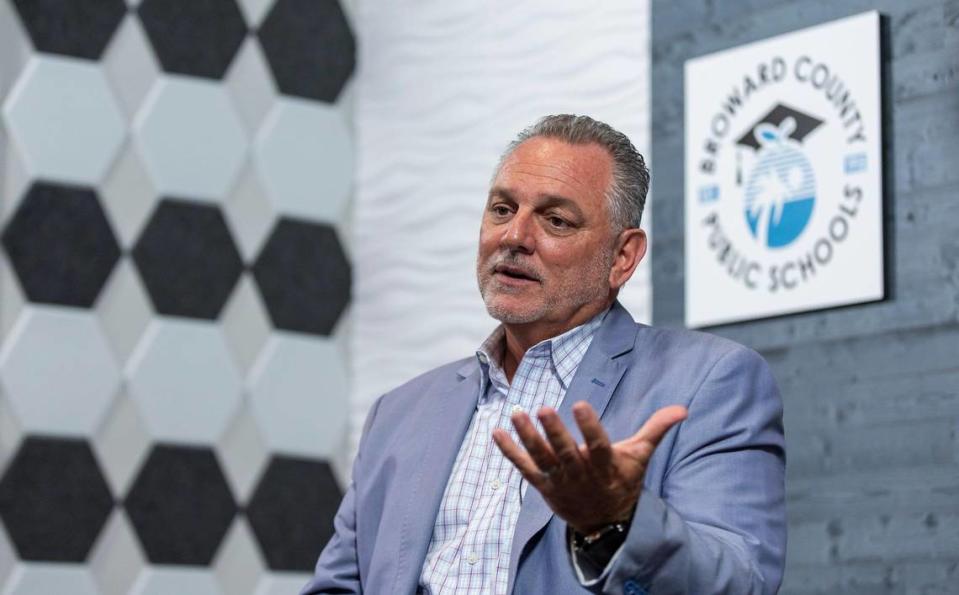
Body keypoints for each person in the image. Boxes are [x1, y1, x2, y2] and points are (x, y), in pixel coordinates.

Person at [301, 115, 786, 595]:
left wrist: (616, 523)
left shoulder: (709, 383)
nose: (514, 237)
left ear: (623, 257)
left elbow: (742, 584)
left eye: (556, 220)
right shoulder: (399, 413)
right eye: (502, 209)